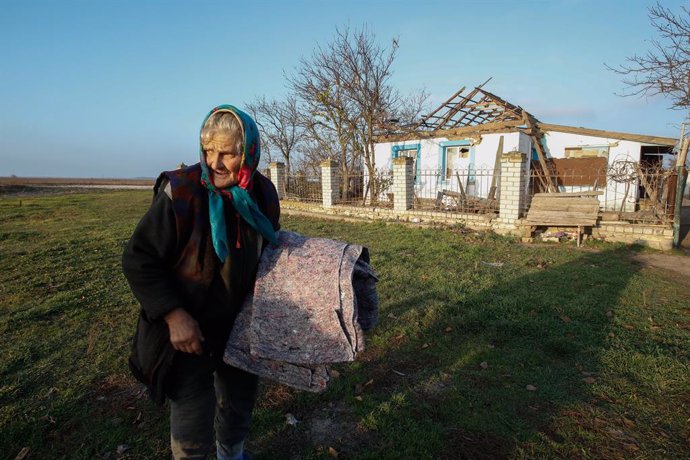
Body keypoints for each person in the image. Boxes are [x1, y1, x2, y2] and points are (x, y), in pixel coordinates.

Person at [122, 105, 280, 460]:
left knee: (239, 400)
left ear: (249, 153)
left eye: (227, 153)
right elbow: (139, 258)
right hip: (188, 330)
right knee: (193, 415)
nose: (215, 162)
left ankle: (232, 453)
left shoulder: (263, 195)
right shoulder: (181, 193)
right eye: (209, 150)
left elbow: (269, 249)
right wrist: (174, 316)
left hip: (239, 324)